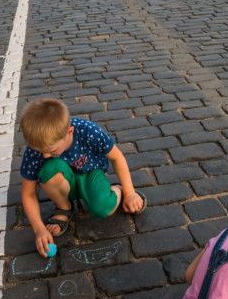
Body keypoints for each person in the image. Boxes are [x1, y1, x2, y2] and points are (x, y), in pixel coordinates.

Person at [19, 98, 146, 257]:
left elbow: (117, 157)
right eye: (40, 150)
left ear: (69, 132)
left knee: (102, 207)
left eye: (51, 150)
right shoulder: (37, 148)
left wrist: (129, 192)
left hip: (91, 175)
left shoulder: (88, 131)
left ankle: (116, 191)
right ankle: (64, 207)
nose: (44, 155)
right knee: (48, 169)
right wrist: (39, 230)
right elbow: (28, 193)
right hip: (65, 182)